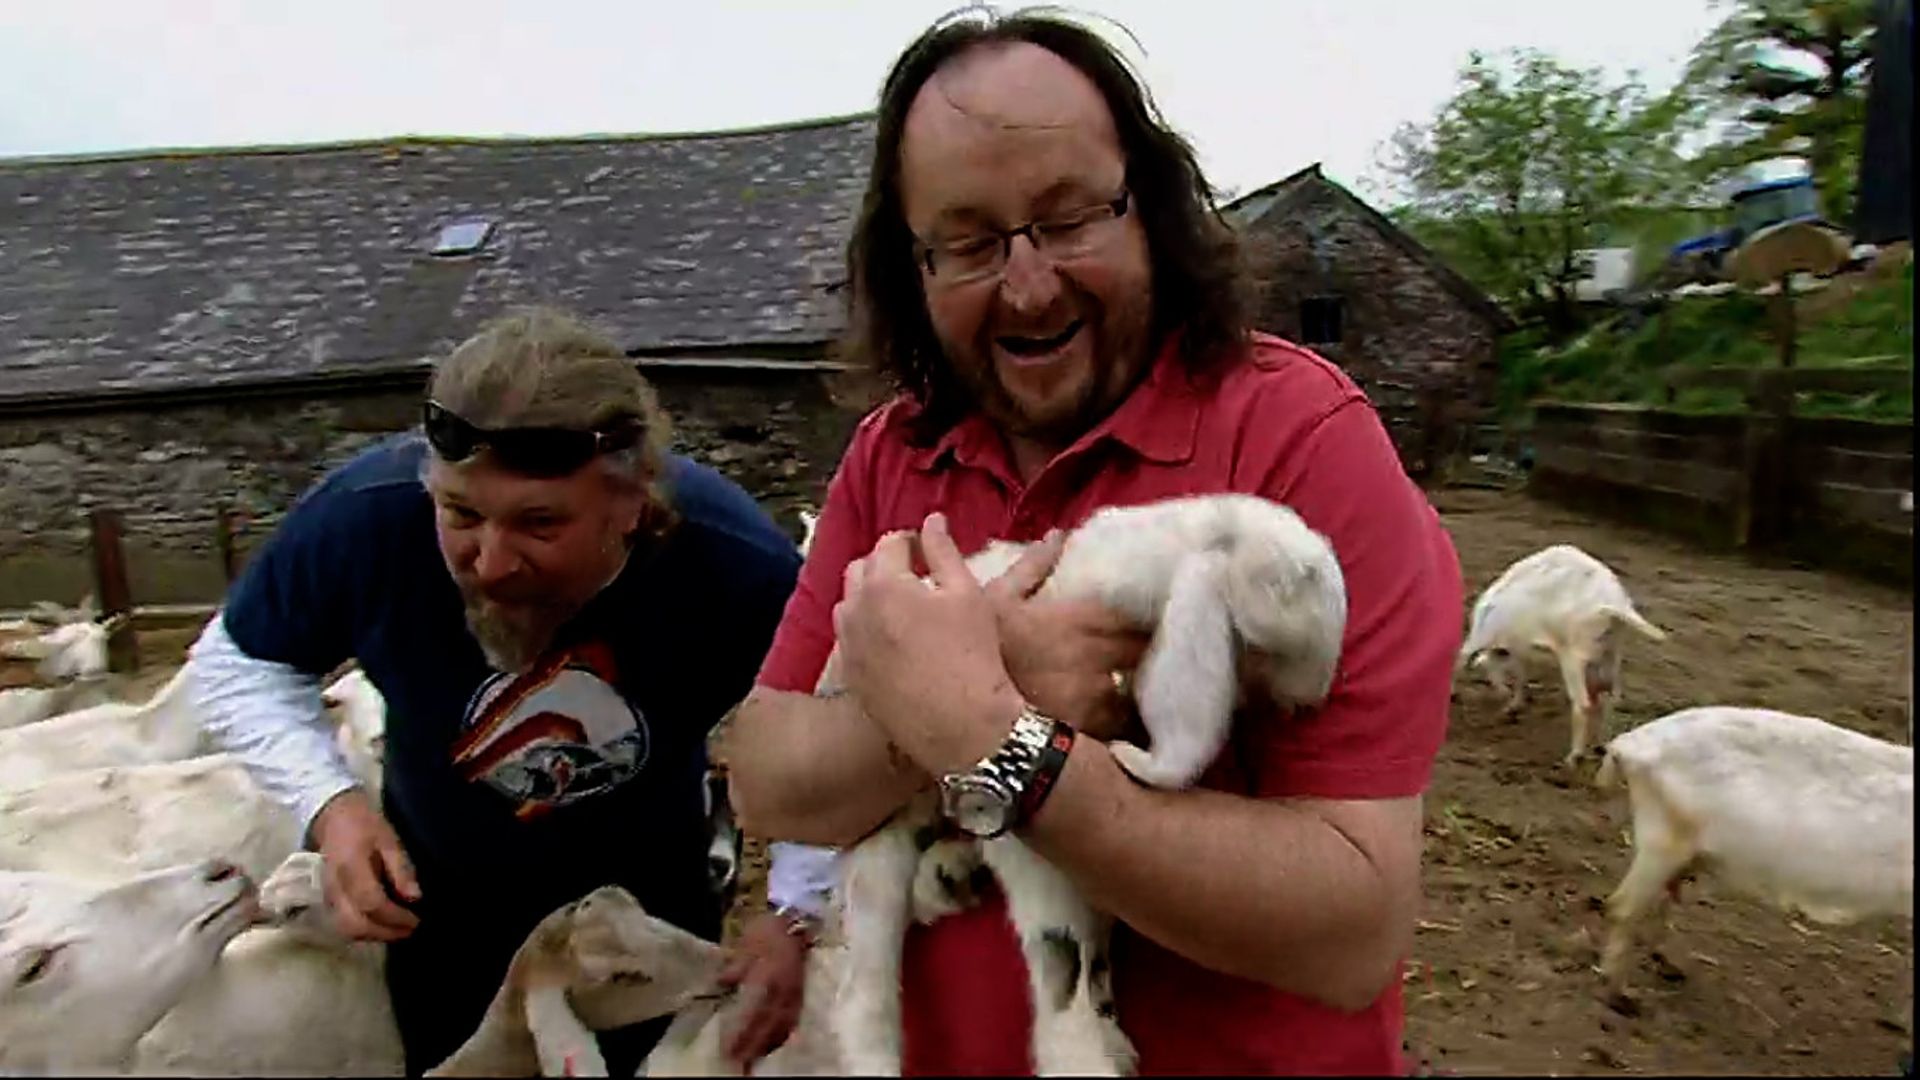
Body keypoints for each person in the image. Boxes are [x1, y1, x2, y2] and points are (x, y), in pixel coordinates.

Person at [721, 8, 1463, 1076]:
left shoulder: (1300, 445)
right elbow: (769, 782)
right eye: (971, 243)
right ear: (913, 266)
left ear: (1151, 212)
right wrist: (958, 697)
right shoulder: (895, 455)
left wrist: (1005, 742)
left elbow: (1352, 931)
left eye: (1071, 219)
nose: (1028, 285)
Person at [188, 308, 814, 1074]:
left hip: (646, 929)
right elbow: (235, 664)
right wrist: (333, 806)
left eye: (539, 523)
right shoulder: (366, 521)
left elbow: (833, 729)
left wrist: (795, 907)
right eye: (461, 514)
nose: (489, 562)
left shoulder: (736, 567)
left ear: (630, 502)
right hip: (437, 916)